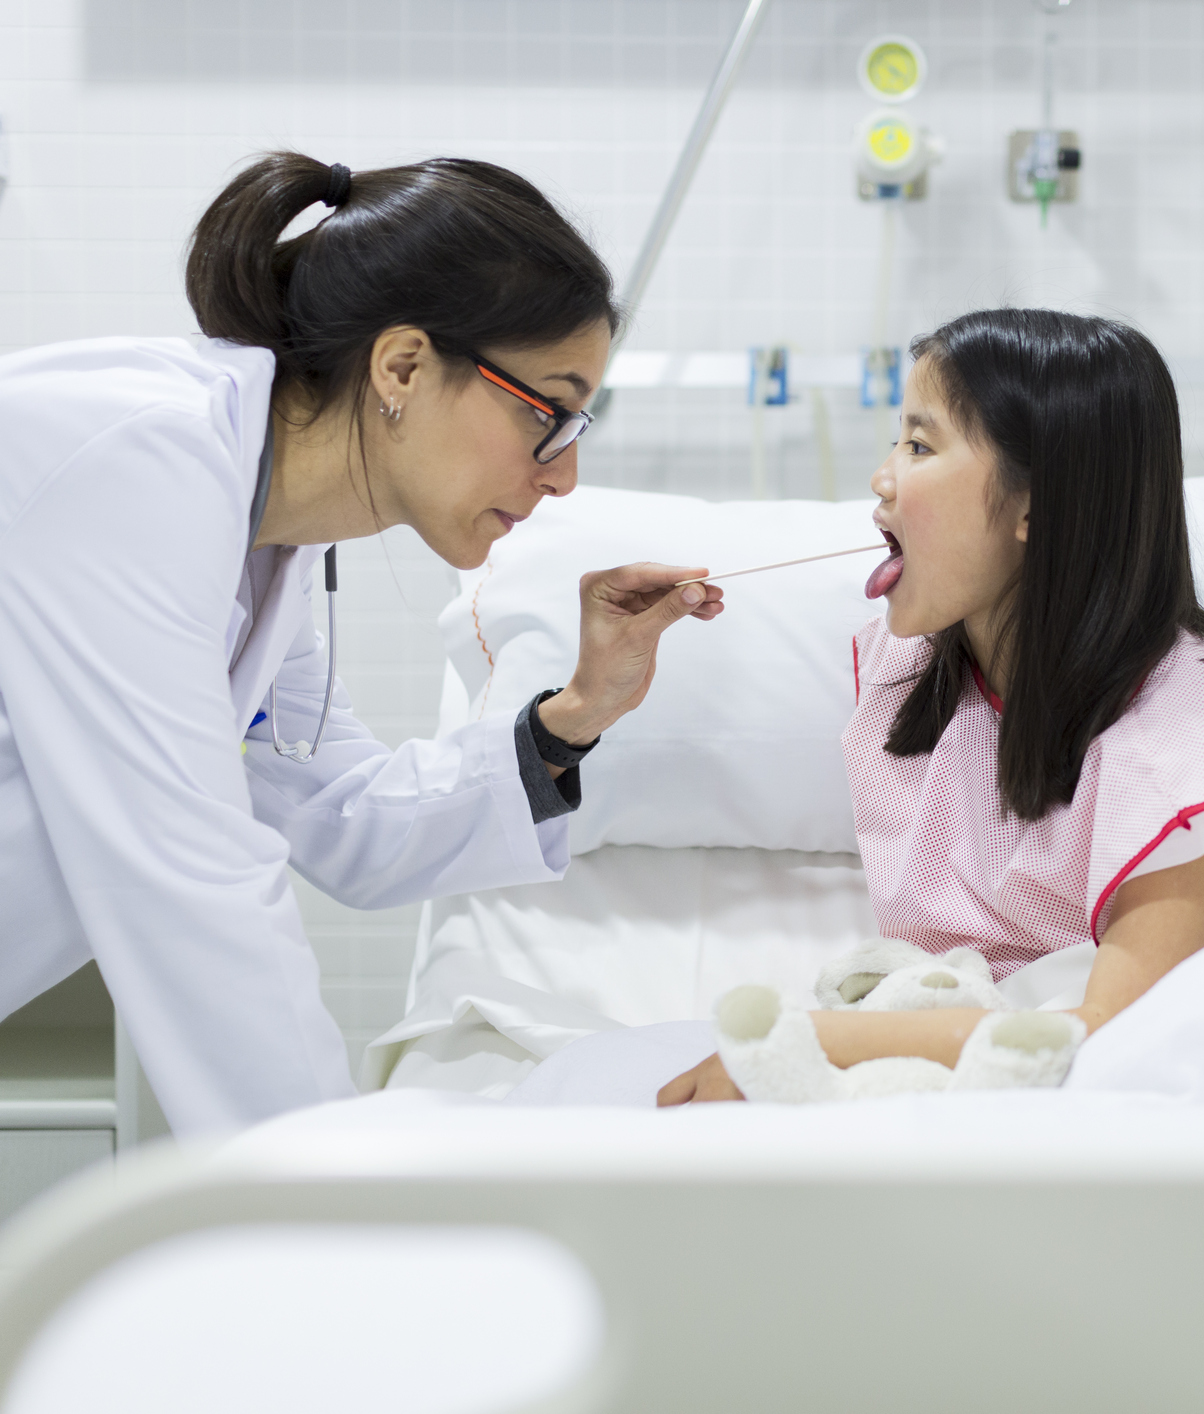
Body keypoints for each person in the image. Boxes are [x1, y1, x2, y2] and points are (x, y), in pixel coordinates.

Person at [0, 153, 722, 1134]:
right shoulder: (141, 462)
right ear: (404, 367)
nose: (566, 474)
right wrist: (337, 1187)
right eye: (549, 413)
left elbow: (342, 815)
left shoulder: (264, 539)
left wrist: (575, 713)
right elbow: (197, 884)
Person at [657, 309, 1204, 1104]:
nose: (882, 477)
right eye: (898, 439)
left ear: (1038, 505)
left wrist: (821, 1042)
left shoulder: (1189, 747)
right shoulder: (917, 679)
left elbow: (1112, 1029)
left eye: (920, 446)